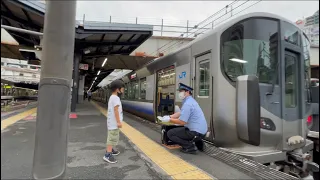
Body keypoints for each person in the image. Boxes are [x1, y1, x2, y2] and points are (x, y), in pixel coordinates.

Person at [158, 83, 208, 154]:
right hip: (202, 132)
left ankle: (190, 147)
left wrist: (169, 120)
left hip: (195, 132)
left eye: (181, 91)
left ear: (187, 92)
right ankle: (198, 142)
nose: (179, 93)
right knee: (181, 129)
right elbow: (181, 113)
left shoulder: (187, 104)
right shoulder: (191, 101)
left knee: (170, 133)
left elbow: (182, 122)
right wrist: (170, 116)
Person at [103, 80, 125, 163]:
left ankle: (111, 150)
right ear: (117, 89)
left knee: (112, 137)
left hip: (112, 122)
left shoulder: (112, 97)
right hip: (114, 123)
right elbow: (116, 111)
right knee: (111, 138)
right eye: (122, 89)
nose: (123, 90)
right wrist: (119, 122)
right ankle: (107, 155)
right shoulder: (115, 98)